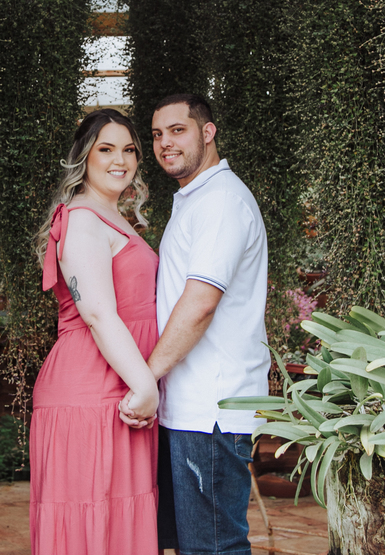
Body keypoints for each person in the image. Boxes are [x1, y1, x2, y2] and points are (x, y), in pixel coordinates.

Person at [121, 93, 270, 555]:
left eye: (177, 130)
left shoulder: (220, 201)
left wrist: (145, 376)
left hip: (212, 409)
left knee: (213, 548)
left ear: (208, 132)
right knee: (197, 546)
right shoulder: (197, 198)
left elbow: (201, 304)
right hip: (191, 407)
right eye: (157, 135)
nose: (165, 142)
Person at [29, 107, 162, 555]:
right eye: (106, 149)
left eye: (129, 150)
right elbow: (99, 315)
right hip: (91, 390)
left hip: (120, 386)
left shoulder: (113, 216)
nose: (119, 160)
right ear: (84, 157)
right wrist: (145, 386)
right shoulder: (83, 218)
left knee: (118, 524)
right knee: (92, 525)